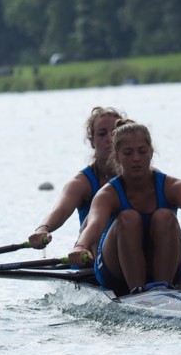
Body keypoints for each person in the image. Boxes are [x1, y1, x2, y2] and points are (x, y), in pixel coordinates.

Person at [68, 119, 181, 295]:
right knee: (129, 218)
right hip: (115, 271)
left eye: (142, 151)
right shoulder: (108, 194)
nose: (136, 158)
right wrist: (81, 245)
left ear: (151, 152)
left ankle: (162, 288)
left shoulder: (173, 186)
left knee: (165, 216)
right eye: (128, 153)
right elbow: (95, 224)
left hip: (164, 267)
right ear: (117, 156)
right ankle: (137, 291)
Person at [28, 106, 125, 250]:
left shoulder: (141, 175)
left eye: (115, 133)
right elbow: (60, 211)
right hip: (91, 258)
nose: (109, 138)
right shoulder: (81, 183)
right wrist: (42, 229)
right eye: (102, 134)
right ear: (92, 141)